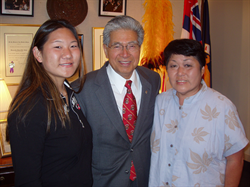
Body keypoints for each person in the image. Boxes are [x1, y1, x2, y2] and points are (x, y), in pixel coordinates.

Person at [72, 15, 161, 187]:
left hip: (146, 177)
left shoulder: (153, 79)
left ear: (140, 48)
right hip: (103, 181)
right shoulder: (81, 89)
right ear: (106, 49)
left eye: (132, 46)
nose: (125, 53)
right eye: (117, 46)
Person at [149, 39, 249, 187]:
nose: (180, 72)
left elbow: (235, 158)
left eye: (188, 65)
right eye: (173, 65)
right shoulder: (159, 102)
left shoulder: (222, 107)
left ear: (202, 70)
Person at [7, 19, 92, 187]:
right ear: (38, 54)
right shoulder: (31, 105)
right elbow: (27, 180)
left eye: (73, 46)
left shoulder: (70, 93)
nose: (68, 54)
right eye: (58, 46)